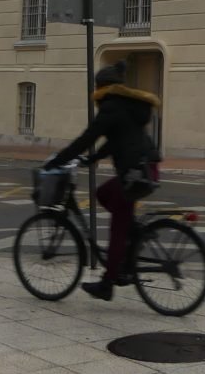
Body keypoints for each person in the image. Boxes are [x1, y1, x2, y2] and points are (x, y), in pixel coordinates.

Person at [43, 61, 161, 301]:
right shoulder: (122, 106)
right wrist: (92, 158)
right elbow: (115, 140)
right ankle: (133, 236)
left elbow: (88, 137)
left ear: (102, 87)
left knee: (117, 225)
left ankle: (108, 283)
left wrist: (59, 160)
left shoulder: (112, 107)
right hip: (143, 169)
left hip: (137, 173)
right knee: (103, 195)